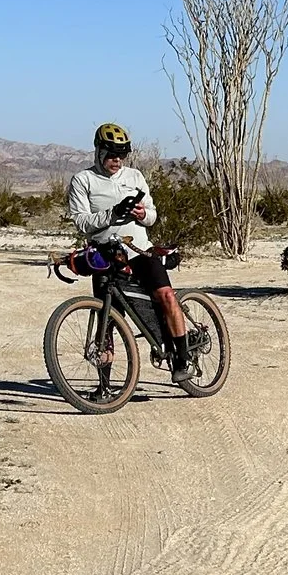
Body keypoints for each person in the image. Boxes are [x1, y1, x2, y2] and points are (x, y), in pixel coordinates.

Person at [65, 123, 195, 387]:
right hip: (105, 255)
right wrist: (112, 214)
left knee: (166, 295)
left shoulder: (135, 176)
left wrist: (143, 214)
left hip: (139, 250)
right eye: (112, 154)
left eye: (122, 154)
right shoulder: (83, 180)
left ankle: (182, 360)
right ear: (99, 151)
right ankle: (104, 386)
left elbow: (152, 215)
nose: (117, 160)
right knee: (107, 320)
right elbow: (81, 222)